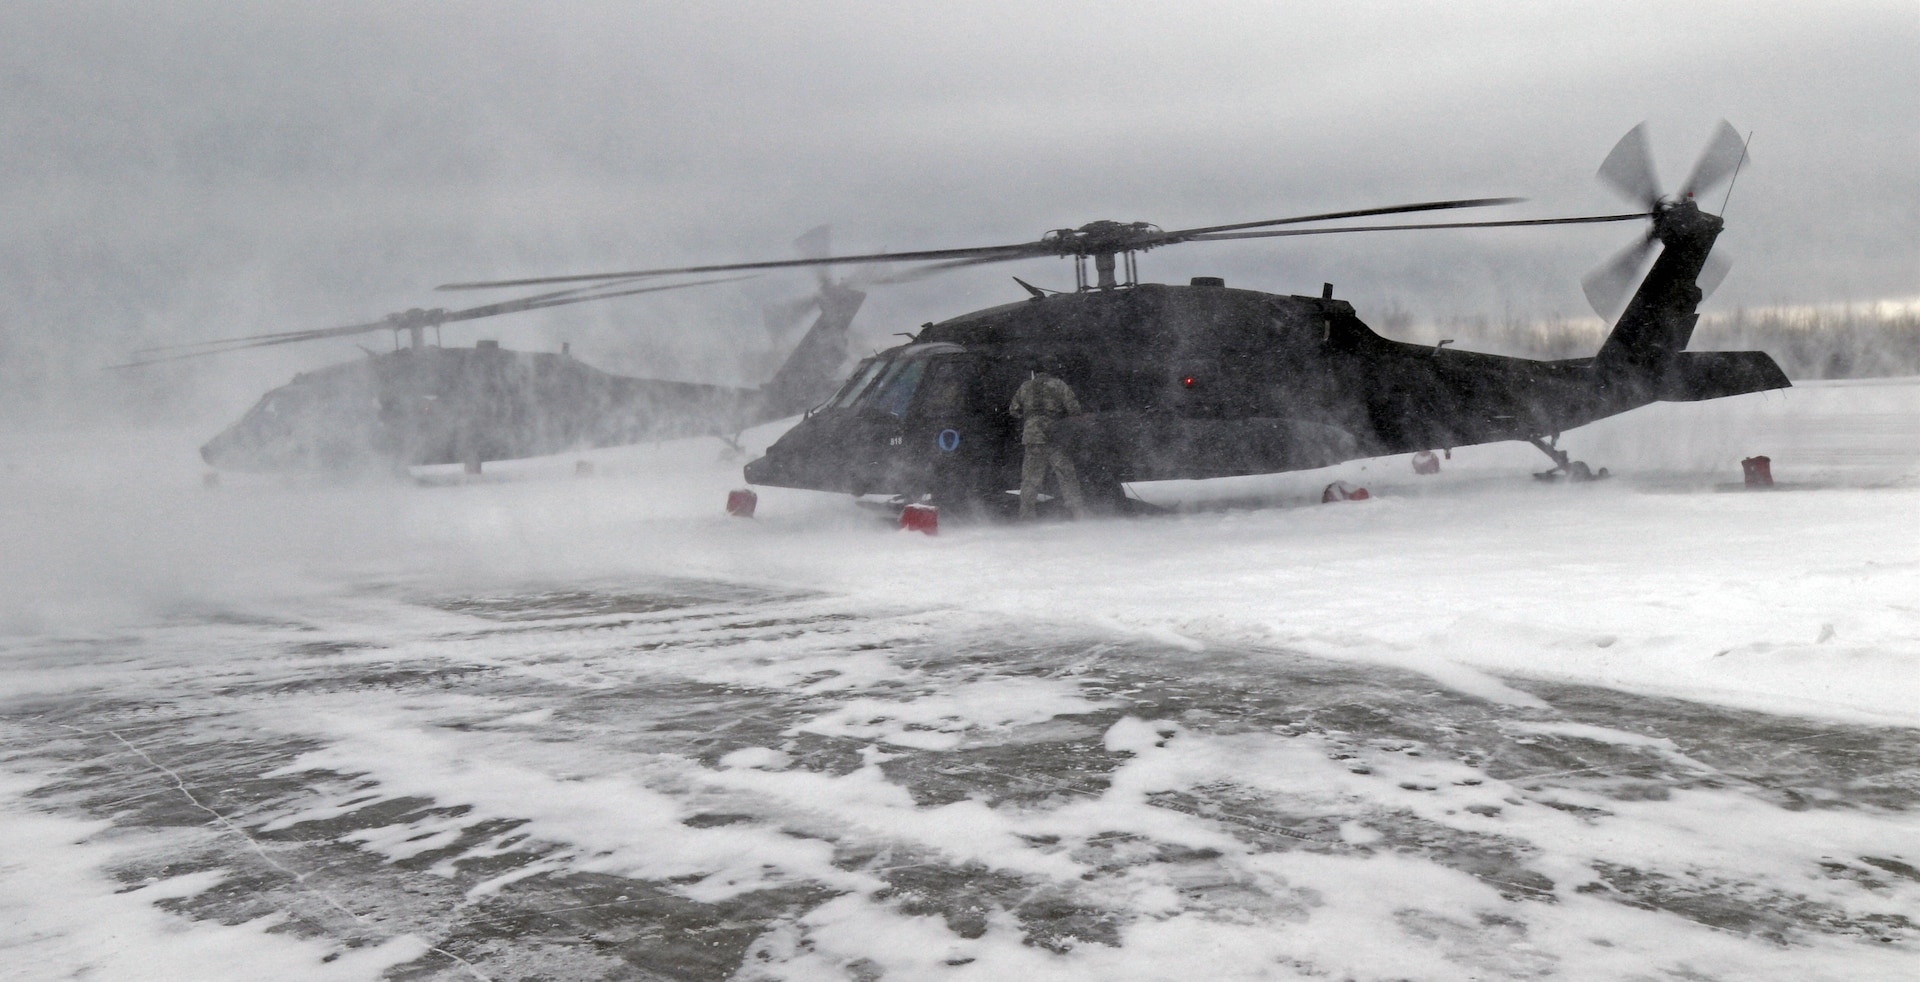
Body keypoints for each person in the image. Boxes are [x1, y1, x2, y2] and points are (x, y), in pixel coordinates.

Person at [1009, 355, 1087, 520]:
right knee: (1066, 476)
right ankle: (1078, 513)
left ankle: (1026, 516)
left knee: (1030, 479)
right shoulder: (1059, 385)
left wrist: (1030, 416)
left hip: (1032, 437)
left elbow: (1013, 410)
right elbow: (1074, 409)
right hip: (1054, 436)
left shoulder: (1025, 387)